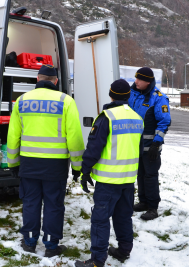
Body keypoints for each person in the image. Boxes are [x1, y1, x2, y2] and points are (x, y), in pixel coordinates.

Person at [7, 64, 85, 257]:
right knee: (53, 204)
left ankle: (30, 241)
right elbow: (74, 137)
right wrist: (77, 166)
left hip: (29, 162)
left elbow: (13, 136)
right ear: (56, 81)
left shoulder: (22, 101)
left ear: (38, 79)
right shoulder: (66, 101)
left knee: (31, 202)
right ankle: (51, 245)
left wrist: (13, 163)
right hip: (55, 165)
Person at [75, 79, 143, 267]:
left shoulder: (106, 117)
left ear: (111, 94)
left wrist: (85, 171)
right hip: (128, 179)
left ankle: (97, 260)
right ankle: (123, 250)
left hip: (108, 180)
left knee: (100, 219)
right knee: (123, 216)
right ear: (128, 96)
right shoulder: (137, 118)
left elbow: (94, 148)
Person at [128, 67, 171, 220]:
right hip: (134, 146)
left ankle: (153, 207)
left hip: (150, 146)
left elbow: (165, 121)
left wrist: (156, 143)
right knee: (140, 174)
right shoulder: (131, 94)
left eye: (139, 79)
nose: (136, 81)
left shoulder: (158, 98)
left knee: (150, 175)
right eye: (136, 78)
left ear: (148, 81)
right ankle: (143, 202)